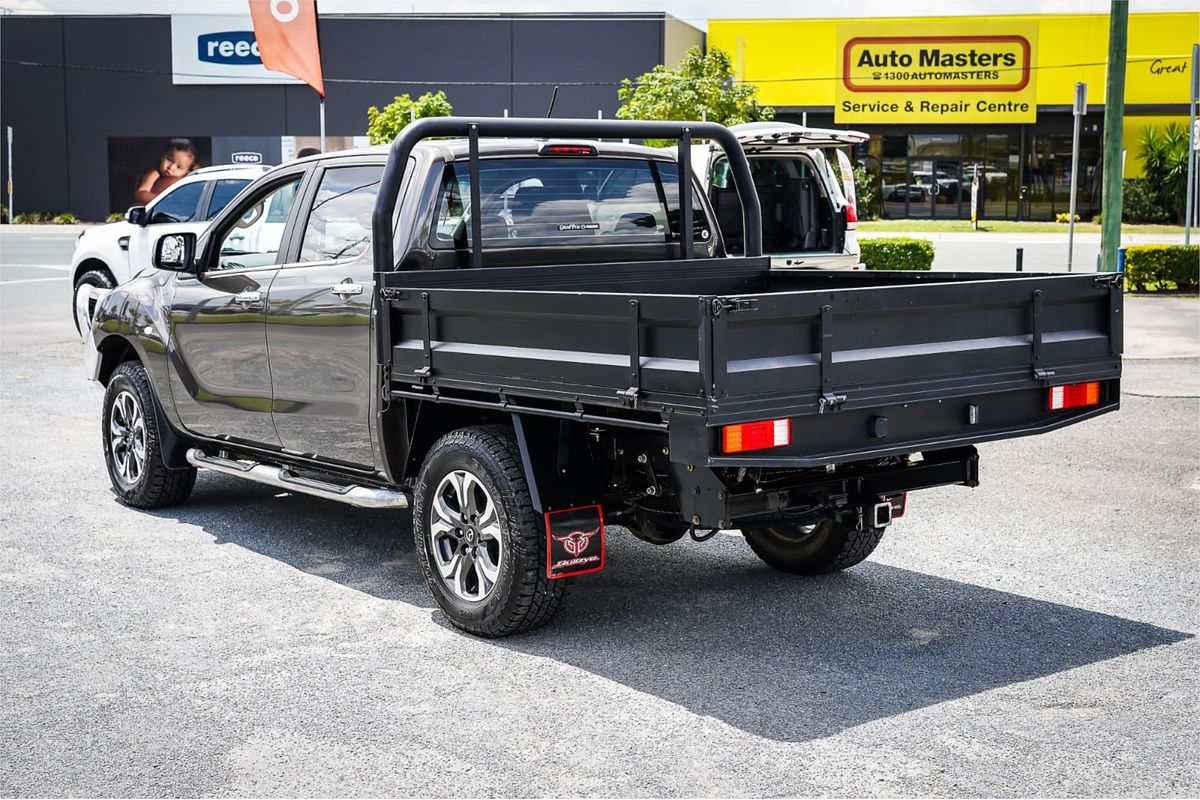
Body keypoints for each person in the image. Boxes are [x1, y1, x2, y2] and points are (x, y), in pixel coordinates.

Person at [134, 139, 199, 205]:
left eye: (179, 167)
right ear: (163, 156)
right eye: (169, 160)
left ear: (187, 171)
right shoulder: (155, 173)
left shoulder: (187, 178)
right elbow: (140, 193)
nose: (171, 167)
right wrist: (162, 199)